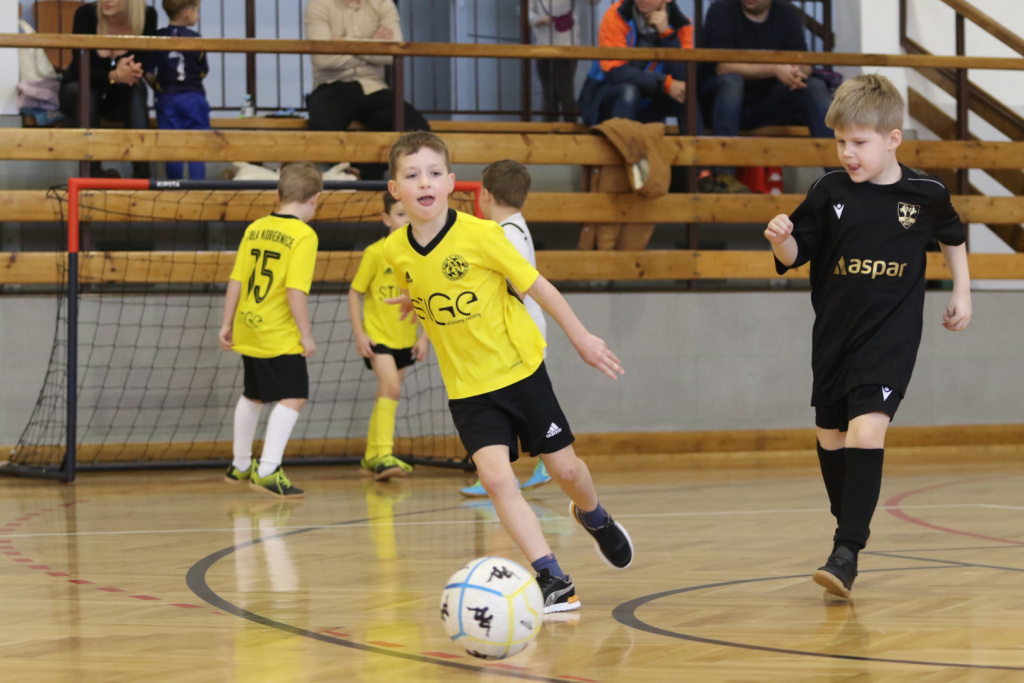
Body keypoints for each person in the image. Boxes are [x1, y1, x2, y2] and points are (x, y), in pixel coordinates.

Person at [382, 131, 634, 613]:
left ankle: (595, 516)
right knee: (497, 481)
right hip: (467, 388)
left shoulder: (482, 235)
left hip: (520, 372)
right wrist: (415, 302)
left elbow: (539, 287)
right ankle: (552, 577)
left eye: (434, 173)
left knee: (565, 469)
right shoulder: (395, 250)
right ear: (396, 190)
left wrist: (581, 337)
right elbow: (420, 280)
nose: (424, 182)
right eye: (412, 176)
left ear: (451, 183)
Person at [765, 74, 972, 599]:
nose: (848, 153)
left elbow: (953, 235)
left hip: (890, 339)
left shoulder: (925, 195)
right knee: (830, 437)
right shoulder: (828, 191)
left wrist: (962, 291)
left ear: (893, 139)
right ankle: (852, 519)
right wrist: (782, 240)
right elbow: (795, 255)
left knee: (866, 430)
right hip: (834, 338)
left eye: (859, 142)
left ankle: (846, 552)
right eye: (841, 142)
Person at [219, 161, 324, 498]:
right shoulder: (304, 235)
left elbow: (237, 278)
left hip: (247, 325)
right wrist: (306, 334)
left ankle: (239, 465)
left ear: (277, 195)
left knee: (254, 393)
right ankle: (267, 470)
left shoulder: (256, 227)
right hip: (277, 332)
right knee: (294, 396)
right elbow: (295, 291)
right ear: (315, 199)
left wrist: (227, 322)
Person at [460, 159, 552, 497]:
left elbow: (518, 288)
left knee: (517, 403)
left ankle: (546, 459)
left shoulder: (506, 235)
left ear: (484, 194)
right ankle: (505, 472)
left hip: (517, 333)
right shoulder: (513, 227)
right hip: (522, 330)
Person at [699, 0, 834, 193]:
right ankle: (723, 175)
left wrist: (795, 73)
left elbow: (805, 64)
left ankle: (838, 176)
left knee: (814, 86)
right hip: (720, 105)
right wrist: (774, 69)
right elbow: (724, 67)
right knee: (732, 82)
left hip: (766, 103)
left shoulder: (787, 13)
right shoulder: (721, 10)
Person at [348, 194, 429, 481]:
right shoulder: (375, 252)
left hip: (405, 339)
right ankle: (383, 454)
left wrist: (424, 337)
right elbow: (354, 292)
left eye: (410, 214)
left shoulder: (419, 254)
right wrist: (360, 333)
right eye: (399, 214)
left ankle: (371, 456)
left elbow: (425, 298)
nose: (405, 220)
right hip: (378, 338)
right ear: (386, 219)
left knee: (387, 392)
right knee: (392, 387)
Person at [304, 0, 430, 180]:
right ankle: (344, 172)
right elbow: (322, 58)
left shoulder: (383, 4)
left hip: (374, 87)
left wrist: (346, 43)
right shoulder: (319, 4)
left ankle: (363, 173)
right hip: (332, 84)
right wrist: (372, 44)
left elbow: (392, 54)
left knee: (417, 128)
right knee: (323, 124)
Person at [59, 0, 157, 179]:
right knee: (87, 91)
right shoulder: (85, 14)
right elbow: (82, 69)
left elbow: (139, 65)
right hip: (79, 91)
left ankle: (143, 176)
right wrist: (113, 76)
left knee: (137, 89)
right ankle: (92, 173)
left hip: (117, 97)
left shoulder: (147, 16)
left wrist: (126, 72)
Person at [577, 0, 694, 128]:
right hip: (605, 96)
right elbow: (615, 72)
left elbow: (682, 76)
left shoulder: (681, 23)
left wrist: (666, 35)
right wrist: (665, 84)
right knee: (629, 92)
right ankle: (620, 141)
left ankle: (698, 141)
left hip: (650, 98)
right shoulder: (617, 14)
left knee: (686, 92)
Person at [143, 0, 211, 180]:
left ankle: (174, 187)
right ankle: (198, 187)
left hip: (167, 97)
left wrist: (159, 88)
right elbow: (203, 71)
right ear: (188, 12)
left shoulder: (158, 37)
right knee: (197, 145)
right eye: (197, 11)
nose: (198, 15)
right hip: (194, 96)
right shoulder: (197, 39)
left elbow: (148, 73)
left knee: (172, 145)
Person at [528, 0, 597, 122]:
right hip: (544, 47)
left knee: (564, 93)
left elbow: (594, 2)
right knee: (550, 95)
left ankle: (569, 129)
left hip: (568, 47)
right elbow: (525, 12)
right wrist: (537, 20)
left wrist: (536, 20)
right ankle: (553, 129)